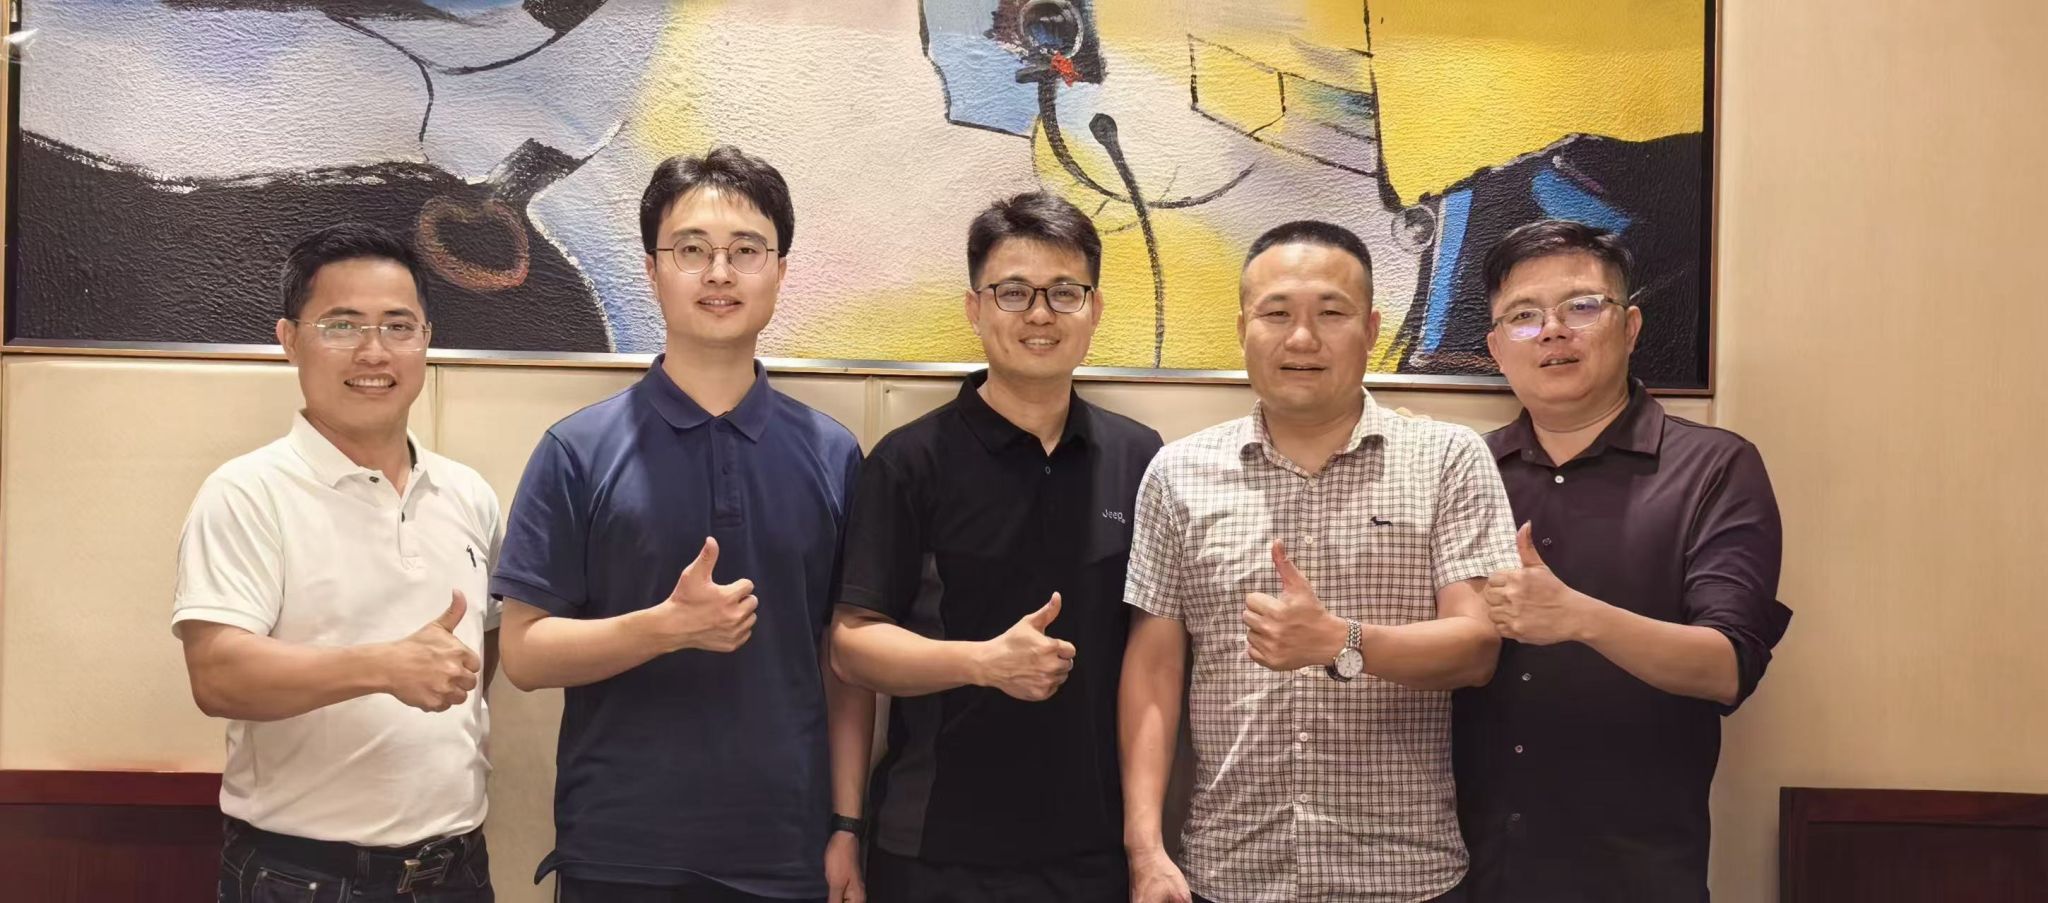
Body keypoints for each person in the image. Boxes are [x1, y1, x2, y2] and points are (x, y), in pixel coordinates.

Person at [490, 147, 871, 903]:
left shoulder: (834, 454)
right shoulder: (578, 450)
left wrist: (846, 826)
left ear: (780, 271)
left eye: (746, 251)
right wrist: (663, 628)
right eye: (691, 250)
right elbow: (524, 654)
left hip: (785, 852)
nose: (719, 273)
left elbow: (845, 662)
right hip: (619, 853)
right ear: (652, 270)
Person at [1119, 220, 1519, 903]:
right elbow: (1154, 670)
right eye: (1276, 313)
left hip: (1403, 872)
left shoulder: (1449, 458)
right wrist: (1144, 849)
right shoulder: (1177, 473)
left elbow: (1477, 649)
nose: (1302, 338)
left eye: (1331, 313)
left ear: (1371, 329)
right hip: (1230, 871)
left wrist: (1341, 640)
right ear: (1242, 328)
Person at [830, 192, 1163, 902]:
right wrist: (982, 663)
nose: (1040, 314)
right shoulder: (910, 461)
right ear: (974, 309)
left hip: (1092, 853)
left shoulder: (1138, 458)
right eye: (1013, 292)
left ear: (1095, 310)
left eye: (1064, 292)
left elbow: (1154, 656)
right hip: (934, 851)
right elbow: (852, 647)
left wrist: (1144, 844)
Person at [1456, 219, 1792, 903]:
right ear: (1496, 348)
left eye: (1581, 306)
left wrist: (1577, 617)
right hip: (1464, 870)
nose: (1552, 331)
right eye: (1523, 316)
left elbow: (1727, 668)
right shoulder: (1464, 470)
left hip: (1634, 873)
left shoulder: (1715, 467)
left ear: (1630, 326)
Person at [174, 223, 500, 901]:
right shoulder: (248, 492)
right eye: (342, 325)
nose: (373, 351)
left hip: (456, 868)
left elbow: (480, 650)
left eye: (398, 326)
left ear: (426, 338)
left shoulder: (468, 492)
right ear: (290, 339)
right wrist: (382, 667)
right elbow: (217, 674)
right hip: (302, 876)